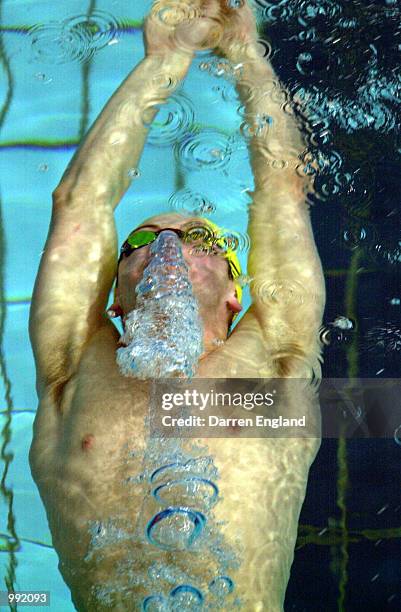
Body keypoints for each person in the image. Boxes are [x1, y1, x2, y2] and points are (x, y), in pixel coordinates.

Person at [28, 0, 326, 610]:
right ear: (113, 297)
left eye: (199, 240)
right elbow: (79, 206)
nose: (167, 248)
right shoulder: (75, 368)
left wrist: (246, 56)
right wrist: (166, 60)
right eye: (140, 243)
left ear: (236, 290)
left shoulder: (274, 365)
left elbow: (285, 191)